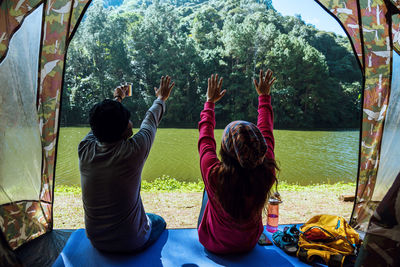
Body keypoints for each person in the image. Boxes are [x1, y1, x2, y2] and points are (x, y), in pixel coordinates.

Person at [78, 76, 175, 253]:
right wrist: (161, 98)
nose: (131, 124)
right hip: (131, 242)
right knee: (157, 220)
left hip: (96, 240)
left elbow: (101, 122)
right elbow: (150, 120)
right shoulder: (133, 152)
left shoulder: (85, 148)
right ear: (122, 129)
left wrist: (118, 99)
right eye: (127, 121)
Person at [197, 70, 279, 254]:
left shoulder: (214, 175)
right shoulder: (267, 172)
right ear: (261, 148)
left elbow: (205, 140)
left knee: (207, 190)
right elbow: (266, 132)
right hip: (248, 244)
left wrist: (209, 103)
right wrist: (264, 97)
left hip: (213, 244)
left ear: (225, 151)